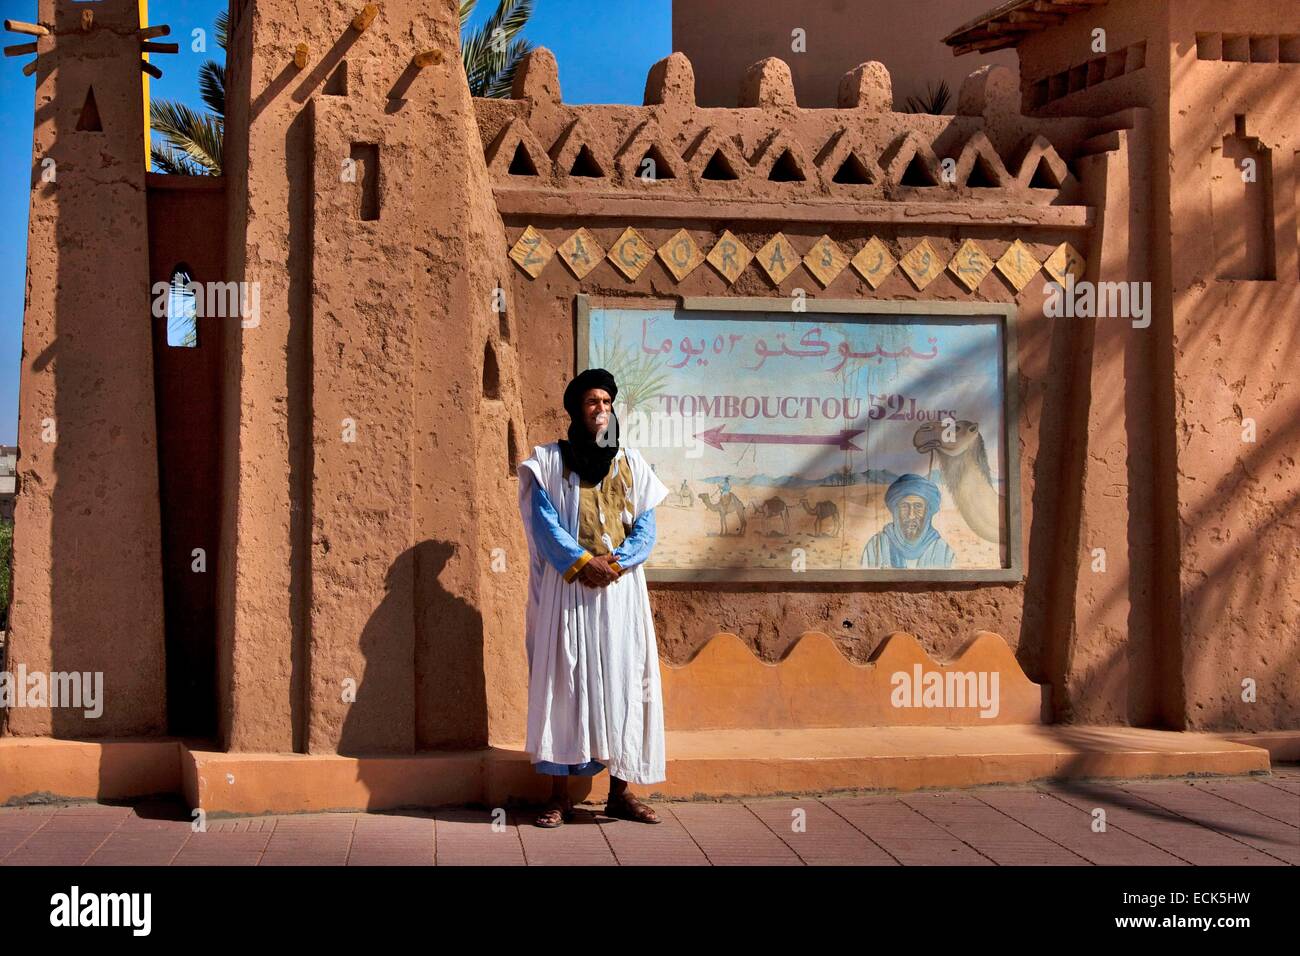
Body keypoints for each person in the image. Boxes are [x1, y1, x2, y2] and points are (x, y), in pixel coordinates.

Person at [517, 368, 670, 828]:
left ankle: (620, 793)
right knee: (566, 681)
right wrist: (585, 563)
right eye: (591, 403)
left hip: (619, 596)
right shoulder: (548, 461)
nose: (601, 409)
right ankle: (558, 795)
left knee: (625, 682)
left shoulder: (632, 462)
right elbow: (544, 524)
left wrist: (616, 564)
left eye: (606, 401)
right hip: (571, 591)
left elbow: (646, 526)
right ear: (576, 411)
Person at [861, 473, 955, 569]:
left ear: (928, 511)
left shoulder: (943, 551)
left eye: (918, 506)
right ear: (896, 510)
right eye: (904, 506)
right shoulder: (876, 547)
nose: (911, 516)